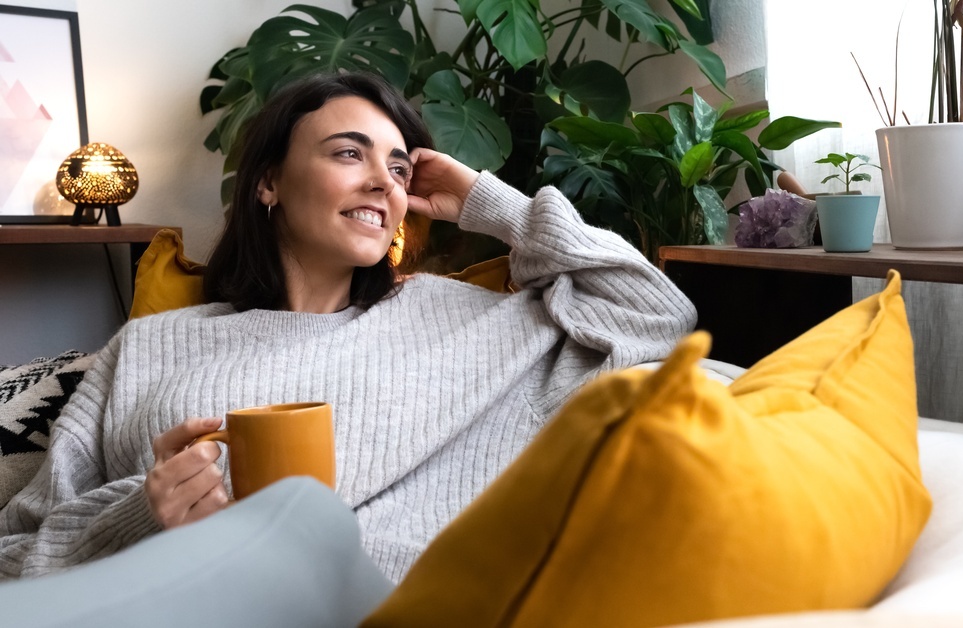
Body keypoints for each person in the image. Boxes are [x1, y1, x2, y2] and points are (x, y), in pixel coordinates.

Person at [0, 72, 696, 581]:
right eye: (347, 153)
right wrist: (140, 519)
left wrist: (490, 203)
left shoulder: (471, 324)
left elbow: (654, 316)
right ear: (268, 182)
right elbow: (17, 552)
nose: (383, 183)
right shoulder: (149, 346)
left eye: (397, 168)